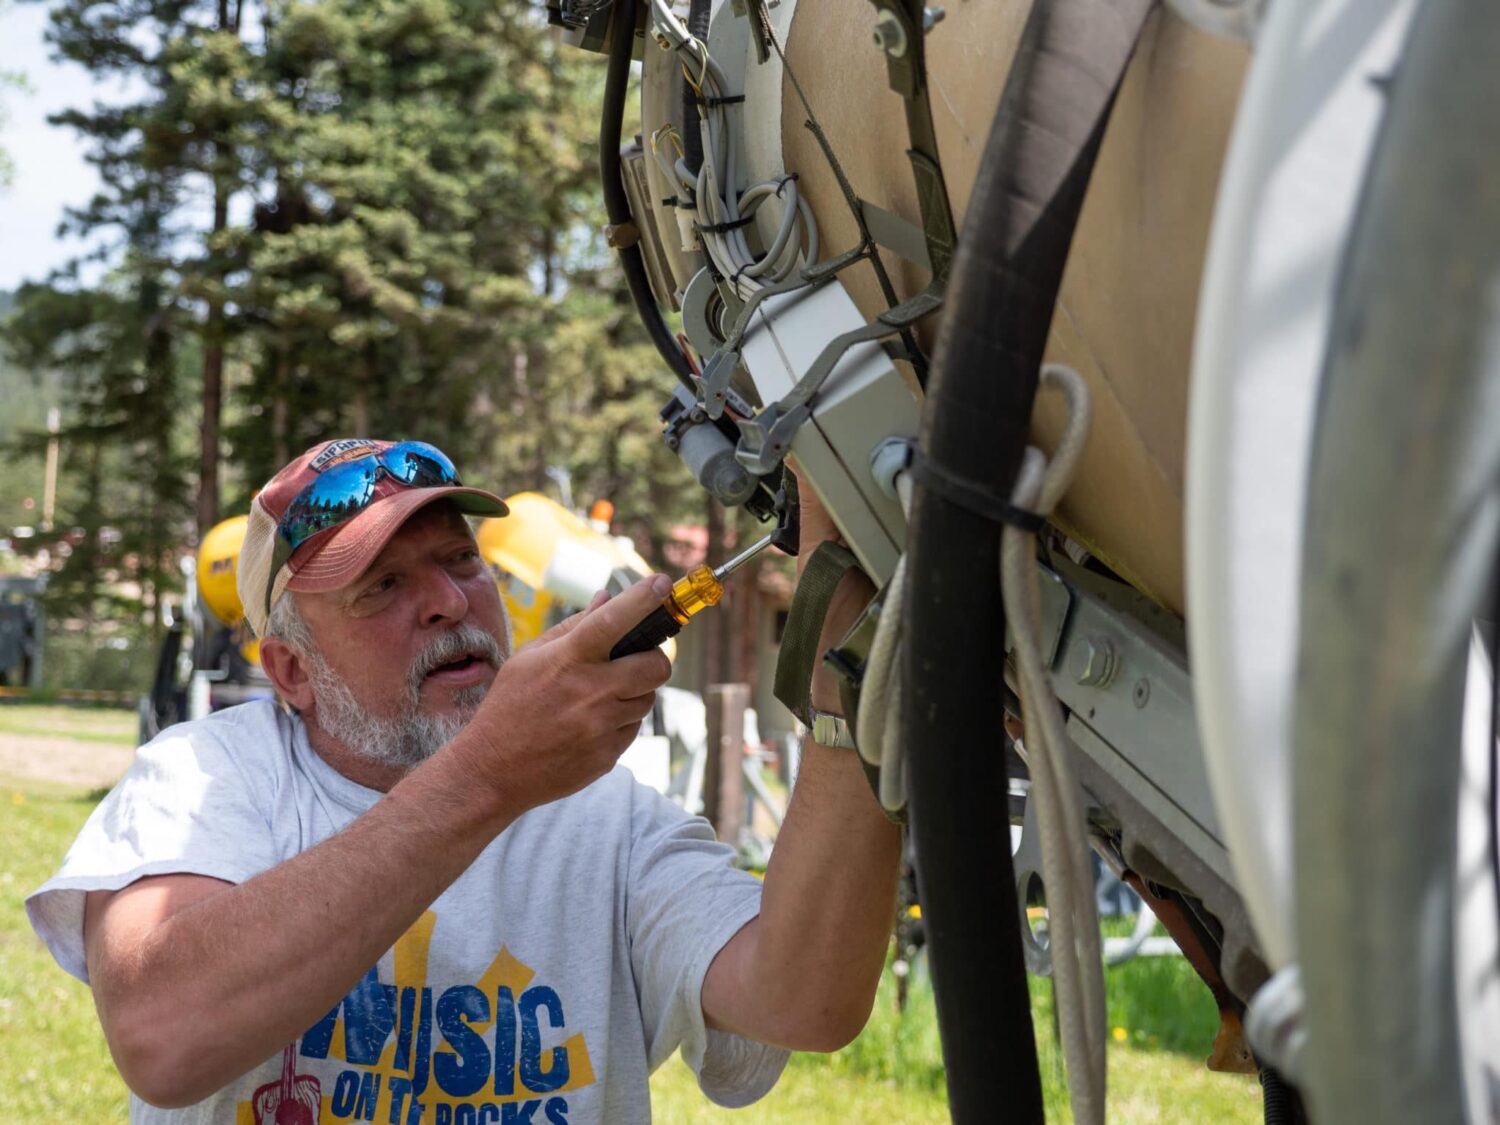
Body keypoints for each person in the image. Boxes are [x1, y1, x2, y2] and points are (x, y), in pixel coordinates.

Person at [26, 438, 898, 1124]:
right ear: (291, 672)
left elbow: (806, 998)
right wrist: (491, 777)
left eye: (461, 559)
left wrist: (846, 690)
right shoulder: (207, 774)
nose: (450, 600)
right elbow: (160, 1034)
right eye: (384, 585)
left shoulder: (610, 822)